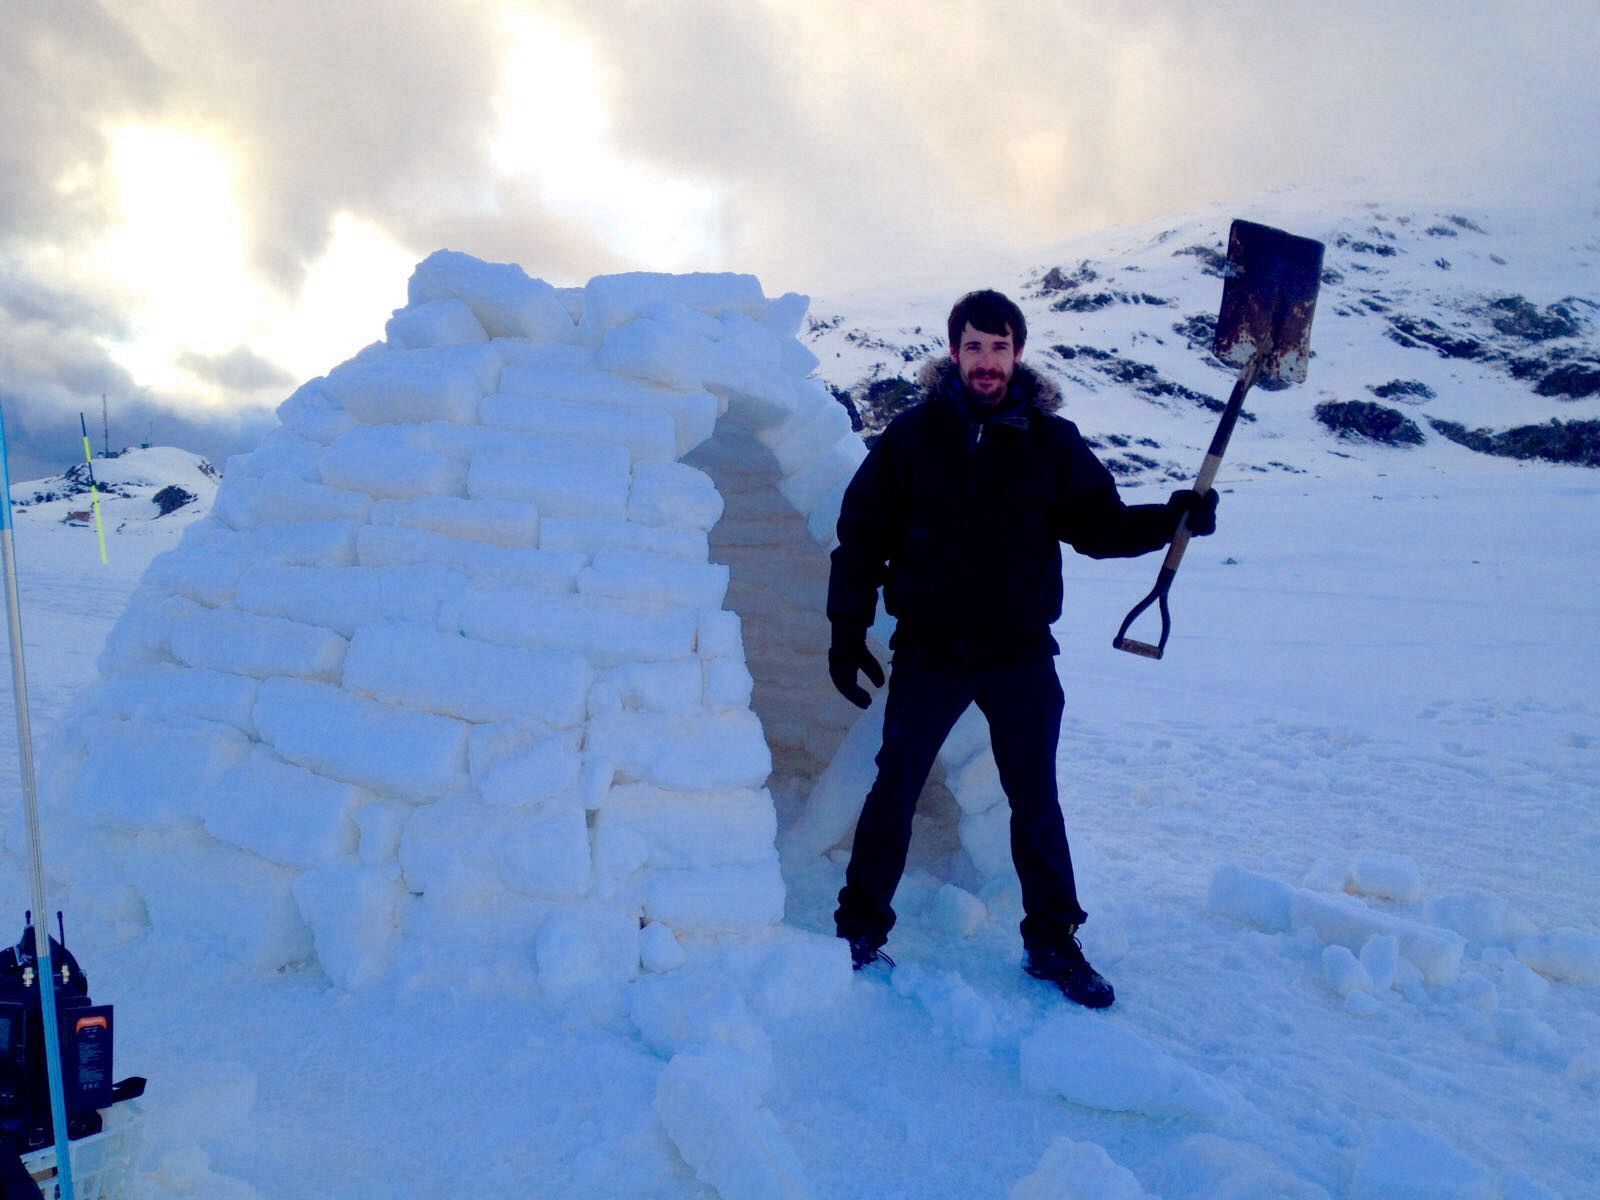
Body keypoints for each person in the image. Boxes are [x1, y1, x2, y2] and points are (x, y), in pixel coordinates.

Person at [825, 289, 1218, 1008]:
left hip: (1020, 652)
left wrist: (1172, 518)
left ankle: (1053, 942)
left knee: (1035, 798)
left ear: (1018, 353)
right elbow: (860, 542)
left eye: (999, 347)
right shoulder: (911, 438)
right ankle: (858, 929)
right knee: (895, 788)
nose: (985, 361)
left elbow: (1098, 526)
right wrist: (845, 630)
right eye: (973, 346)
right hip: (932, 648)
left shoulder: (1050, 441)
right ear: (953, 353)